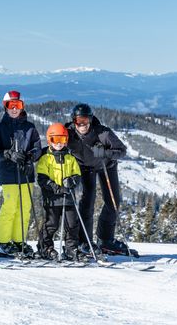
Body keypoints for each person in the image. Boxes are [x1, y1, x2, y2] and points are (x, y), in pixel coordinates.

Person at [65, 103, 132, 256]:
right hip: (85, 168)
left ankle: (105, 239)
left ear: (91, 119)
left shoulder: (103, 133)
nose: (83, 125)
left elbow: (121, 151)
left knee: (113, 201)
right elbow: (55, 144)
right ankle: (85, 240)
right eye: (79, 121)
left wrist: (105, 153)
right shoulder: (70, 135)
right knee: (88, 201)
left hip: (106, 166)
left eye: (86, 121)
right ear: (74, 121)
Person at [0, 90, 42, 257]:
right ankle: (2, 242)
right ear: (5, 107)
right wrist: (7, 154)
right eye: (11, 105)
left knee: (24, 208)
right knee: (10, 207)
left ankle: (19, 241)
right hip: (9, 175)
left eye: (17, 105)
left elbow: (37, 148)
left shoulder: (29, 128)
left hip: (26, 175)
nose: (14, 109)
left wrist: (29, 157)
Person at [36, 123, 83, 260]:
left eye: (62, 140)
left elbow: (77, 175)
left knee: (72, 223)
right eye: (55, 140)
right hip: (52, 198)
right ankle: (45, 247)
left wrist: (72, 181)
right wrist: (56, 188)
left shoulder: (70, 158)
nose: (59, 143)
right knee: (51, 224)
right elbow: (42, 178)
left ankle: (71, 248)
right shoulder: (46, 158)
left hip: (69, 197)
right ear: (49, 140)